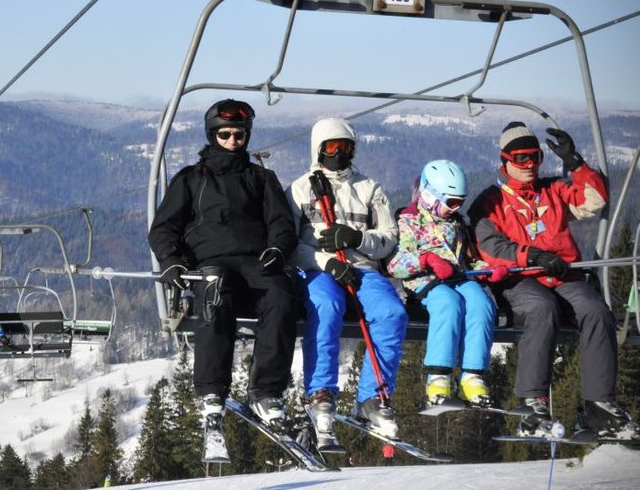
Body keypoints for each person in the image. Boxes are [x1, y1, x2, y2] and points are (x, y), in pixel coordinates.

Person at [468, 122, 638, 439]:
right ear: (504, 161)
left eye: (535, 156)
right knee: (542, 308)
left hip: (561, 274)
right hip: (519, 278)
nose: (530, 164)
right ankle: (533, 404)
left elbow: (594, 199)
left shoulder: (552, 191)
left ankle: (599, 406)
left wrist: (574, 162)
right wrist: (531, 256)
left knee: (596, 310)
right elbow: (490, 246)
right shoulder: (491, 201)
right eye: (521, 158)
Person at [148, 99, 298, 431]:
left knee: (282, 296)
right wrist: (172, 262)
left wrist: (277, 249)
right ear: (212, 134)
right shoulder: (192, 179)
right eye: (226, 135)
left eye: (239, 136)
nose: (233, 142)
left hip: (255, 262)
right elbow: (163, 228)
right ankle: (212, 389)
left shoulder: (261, 178)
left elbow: (281, 223)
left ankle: (266, 390)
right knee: (215, 292)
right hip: (211, 263)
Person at [286, 117, 406, 440]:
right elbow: (289, 245)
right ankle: (320, 391)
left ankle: (370, 397)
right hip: (318, 270)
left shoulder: (369, 189)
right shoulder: (300, 189)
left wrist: (356, 239)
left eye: (346, 147)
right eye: (332, 147)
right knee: (326, 305)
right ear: (319, 150)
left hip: (362, 268)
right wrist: (326, 262)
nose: (339, 154)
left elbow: (388, 237)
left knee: (391, 313)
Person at [387, 160, 502, 406]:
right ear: (430, 195)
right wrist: (426, 259)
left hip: (458, 277)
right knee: (448, 304)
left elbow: (468, 259)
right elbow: (395, 264)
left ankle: (473, 375)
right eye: (452, 202)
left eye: (461, 201)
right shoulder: (408, 220)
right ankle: (438, 377)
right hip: (426, 280)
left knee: (482, 304)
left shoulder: (457, 223)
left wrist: (488, 270)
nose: (456, 208)